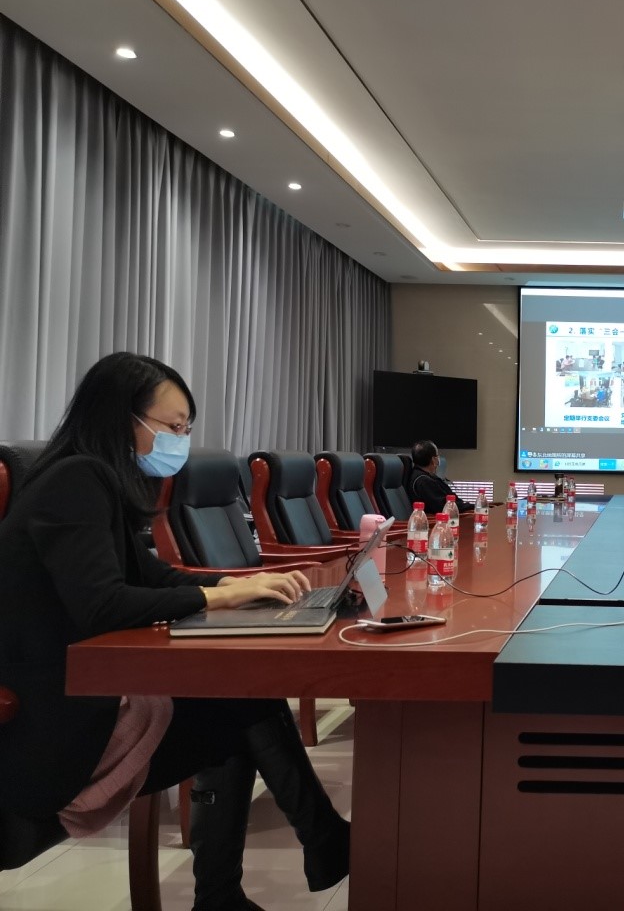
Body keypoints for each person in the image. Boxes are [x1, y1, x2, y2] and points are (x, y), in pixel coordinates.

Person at [0, 352, 349, 911]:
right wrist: (219, 596)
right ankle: (310, 844)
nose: (180, 440)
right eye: (173, 427)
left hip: (85, 692)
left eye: (186, 429)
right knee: (236, 707)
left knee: (232, 705)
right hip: (53, 724)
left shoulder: (94, 478)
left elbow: (151, 575)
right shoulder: (75, 480)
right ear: (122, 418)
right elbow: (103, 605)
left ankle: (272, 866)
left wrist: (238, 584)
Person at [407, 439, 474, 516]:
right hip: (434, 521)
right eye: (437, 456)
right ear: (433, 460)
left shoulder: (427, 476)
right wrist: (473, 507)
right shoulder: (423, 481)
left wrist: (468, 506)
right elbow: (444, 507)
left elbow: (451, 499)